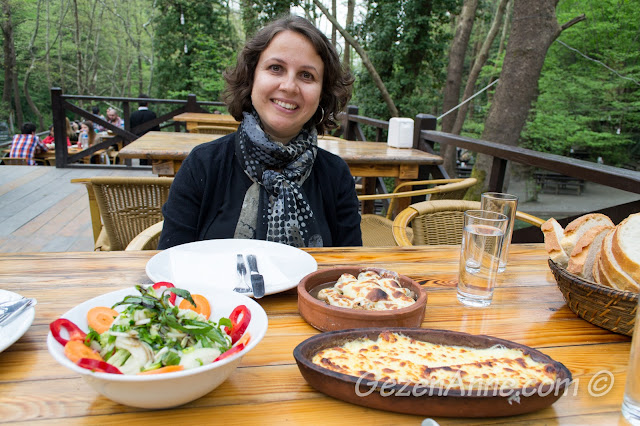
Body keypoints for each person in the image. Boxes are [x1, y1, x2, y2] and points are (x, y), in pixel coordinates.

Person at [158, 15, 361, 250]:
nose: (288, 86)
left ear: (322, 93)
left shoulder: (336, 176)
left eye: (307, 75)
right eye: (276, 68)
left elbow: (349, 273)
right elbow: (171, 269)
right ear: (251, 76)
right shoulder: (202, 165)